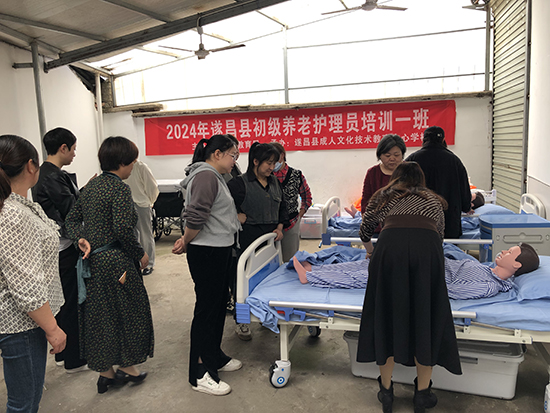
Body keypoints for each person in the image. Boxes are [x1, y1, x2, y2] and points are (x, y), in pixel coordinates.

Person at [357, 161, 461, 413]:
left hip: (389, 251)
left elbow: (365, 230)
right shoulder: (434, 200)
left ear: (396, 177)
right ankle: (422, 395)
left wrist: (371, 251)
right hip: (427, 252)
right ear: (421, 180)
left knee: (386, 316)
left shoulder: (383, 196)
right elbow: (440, 236)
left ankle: (386, 391)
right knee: (426, 317)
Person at [65, 136, 154, 394]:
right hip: (117, 262)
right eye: (132, 163)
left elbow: (71, 220)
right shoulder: (119, 189)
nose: (133, 167)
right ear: (122, 163)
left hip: (93, 263)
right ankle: (127, 366)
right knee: (130, 311)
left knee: (101, 316)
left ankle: (106, 373)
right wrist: (140, 254)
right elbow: (123, 229)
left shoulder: (90, 187)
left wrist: (80, 239)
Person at [0, 134, 67, 412]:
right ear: (31, 166)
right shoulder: (13, 214)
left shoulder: (20, 205)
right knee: (24, 403)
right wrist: (52, 329)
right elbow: (25, 284)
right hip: (22, 324)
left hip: (26, 321)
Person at [172, 134, 242, 396]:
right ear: (217, 154)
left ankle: (214, 356)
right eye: (233, 155)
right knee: (207, 310)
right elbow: (196, 215)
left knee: (218, 305)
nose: (235, 161)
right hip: (207, 251)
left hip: (218, 248)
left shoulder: (216, 176)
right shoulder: (205, 176)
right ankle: (200, 372)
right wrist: (185, 240)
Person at [31, 127, 88, 374]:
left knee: (63, 301)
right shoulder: (52, 176)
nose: (74, 154)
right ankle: (74, 359)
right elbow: (70, 210)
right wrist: (88, 195)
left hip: (57, 247)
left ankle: (64, 355)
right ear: (63, 148)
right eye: (73, 149)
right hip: (64, 248)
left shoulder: (46, 174)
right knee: (71, 302)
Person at [292, 243, 540, 300]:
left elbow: (450, 291)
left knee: (366, 276)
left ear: (516, 266)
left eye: (510, 252)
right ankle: (318, 269)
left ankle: (310, 277)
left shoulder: (489, 286)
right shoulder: (486, 268)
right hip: (424, 264)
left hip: (421, 276)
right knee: (368, 265)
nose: (503, 252)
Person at [227, 142, 289, 340]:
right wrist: (236, 216)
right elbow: (223, 209)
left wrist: (280, 227)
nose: (272, 167)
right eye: (268, 163)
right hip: (248, 239)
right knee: (243, 282)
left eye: (274, 163)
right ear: (255, 161)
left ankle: (264, 313)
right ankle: (242, 321)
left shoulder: (274, 182)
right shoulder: (238, 184)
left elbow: (283, 207)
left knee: (267, 280)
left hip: (270, 240)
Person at [406, 126, 471, 239]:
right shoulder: (454, 161)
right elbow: (464, 190)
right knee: (449, 249)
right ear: (443, 140)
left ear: (424, 140)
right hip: (449, 222)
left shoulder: (412, 160)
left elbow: (401, 187)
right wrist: (467, 206)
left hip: (418, 220)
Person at [271, 142, 313, 262]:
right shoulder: (267, 176)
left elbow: (307, 197)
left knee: (289, 259)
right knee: (271, 261)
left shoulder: (296, 175)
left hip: (291, 223)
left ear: (282, 155)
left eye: (274, 158)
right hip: (271, 225)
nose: (272, 163)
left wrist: (299, 215)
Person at [123, 159, 159, 276]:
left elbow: (152, 187)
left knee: (145, 234)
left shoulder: (141, 167)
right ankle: (135, 262)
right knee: (131, 235)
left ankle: (149, 264)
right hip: (126, 204)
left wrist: (150, 202)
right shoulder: (122, 166)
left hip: (141, 204)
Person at [360, 134, 406, 215]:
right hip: (378, 219)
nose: (392, 159)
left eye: (396, 155)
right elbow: (366, 201)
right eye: (387, 155)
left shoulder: (410, 170)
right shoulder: (373, 173)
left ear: (402, 155)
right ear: (380, 156)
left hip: (405, 218)